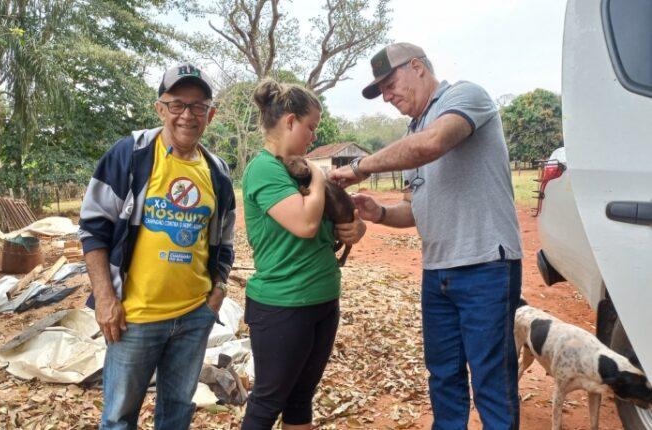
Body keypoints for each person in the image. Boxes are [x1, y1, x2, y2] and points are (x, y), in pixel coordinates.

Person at [329, 42, 523, 429]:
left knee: (491, 380)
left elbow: (432, 145)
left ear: (416, 67)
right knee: (444, 375)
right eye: (381, 91)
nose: (387, 96)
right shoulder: (412, 131)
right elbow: (417, 210)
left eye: (389, 84)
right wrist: (381, 213)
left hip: (486, 264)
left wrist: (360, 167)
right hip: (438, 271)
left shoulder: (466, 96)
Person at [78, 62, 236, 430]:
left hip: (194, 316)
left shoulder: (218, 172)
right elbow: (93, 228)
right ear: (160, 108)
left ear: (210, 115)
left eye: (198, 107)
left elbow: (224, 241)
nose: (187, 115)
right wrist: (105, 298)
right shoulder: (130, 155)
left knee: (178, 412)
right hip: (134, 318)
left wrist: (217, 294)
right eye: (177, 104)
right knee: (119, 418)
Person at [240, 79, 366, 430]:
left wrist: (356, 229)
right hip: (283, 305)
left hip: (323, 298)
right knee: (267, 402)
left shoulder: (302, 172)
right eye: (311, 127)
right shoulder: (264, 169)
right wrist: (317, 175)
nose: (313, 137)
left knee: (300, 399)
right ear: (290, 121)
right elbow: (306, 224)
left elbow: (330, 228)